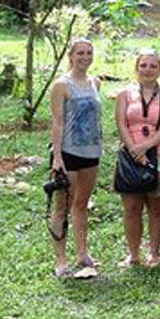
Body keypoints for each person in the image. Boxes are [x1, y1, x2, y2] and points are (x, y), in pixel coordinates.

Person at [114, 49, 160, 268]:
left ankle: (155, 252)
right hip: (130, 155)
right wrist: (134, 149)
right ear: (136, 68)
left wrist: (145, 147)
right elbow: (121, 123)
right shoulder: (125, 94)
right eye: (143, 65)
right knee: (132, 207)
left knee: (157, 206)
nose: (148, 70)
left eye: (153, 66)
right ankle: (133, 254)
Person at [47, 38, 103, 279]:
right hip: (69, 153)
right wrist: (57, 157)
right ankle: (61, 260)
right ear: (71, 55)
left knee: (81, 204)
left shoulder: (95, 83)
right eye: (80, 53)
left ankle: (82, 252)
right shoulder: (62, 85)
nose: (85, 57)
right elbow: (57, 122)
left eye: (89, 53)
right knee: (62, 207)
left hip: (92, 152)